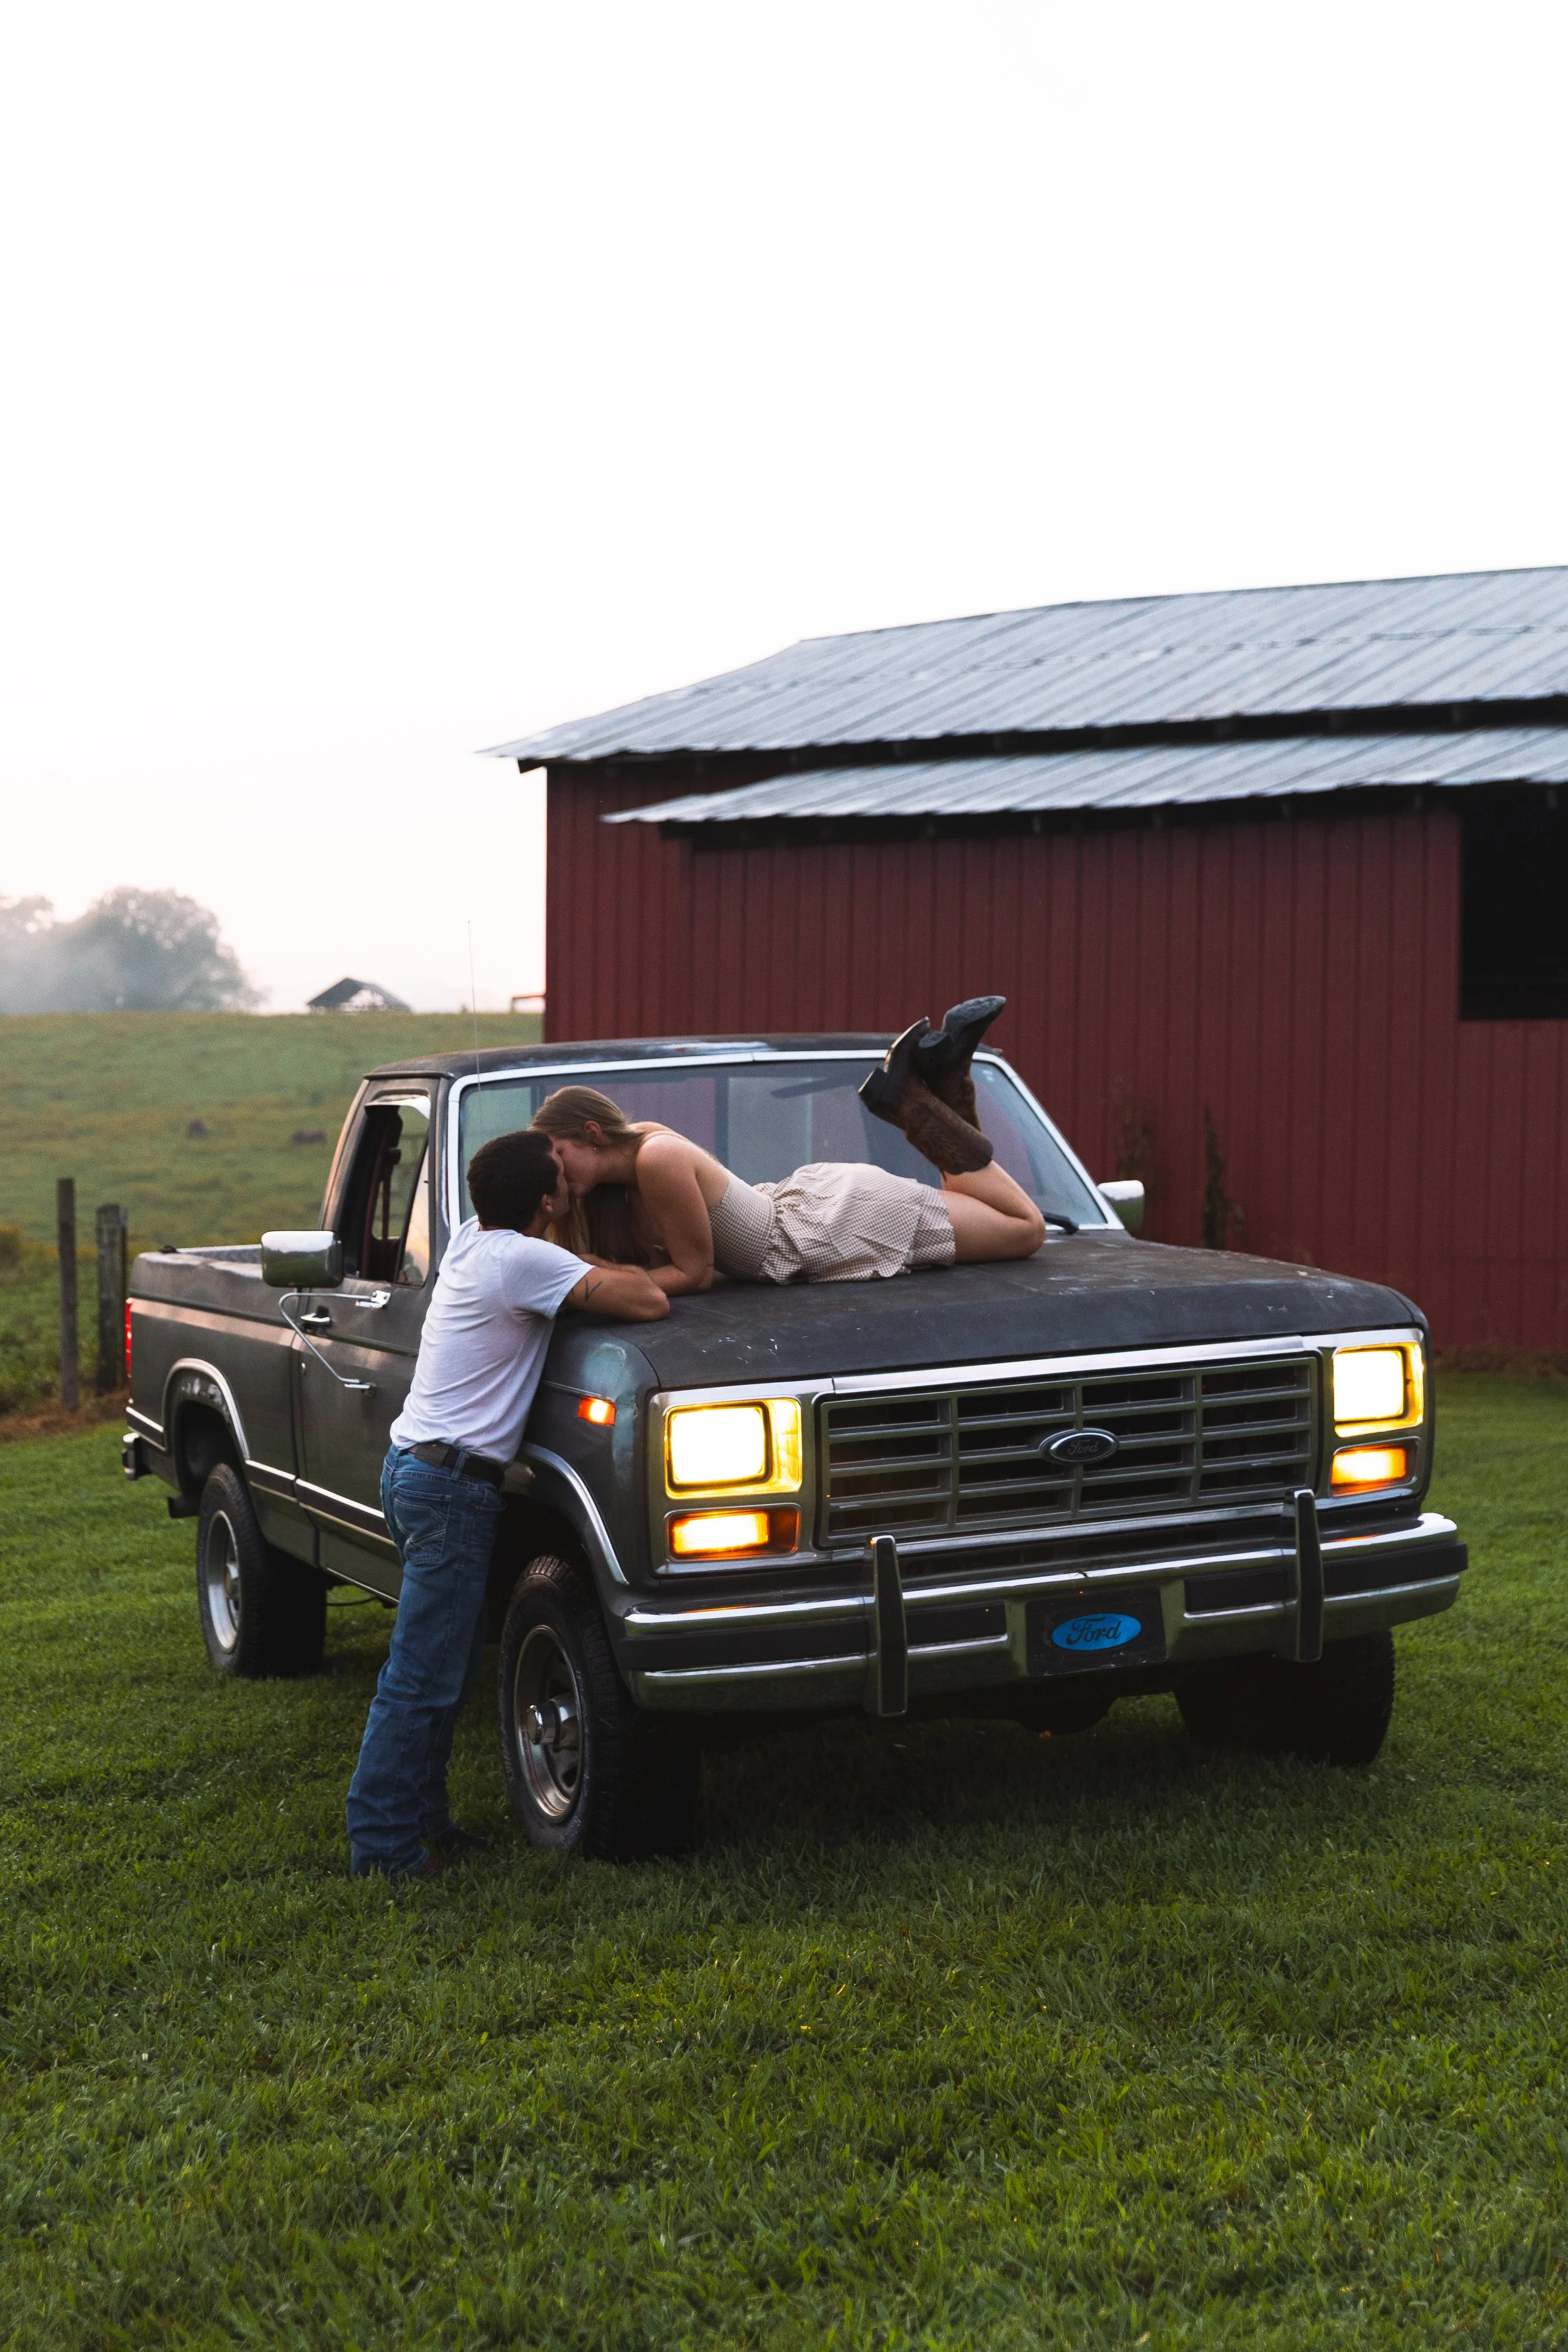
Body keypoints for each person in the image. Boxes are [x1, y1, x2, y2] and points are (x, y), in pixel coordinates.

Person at [345, 1127, 667, 1880]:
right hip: (453, 1490)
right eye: (562, 1176)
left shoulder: (468, 1242)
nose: (571, 1184)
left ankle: (423, 1824)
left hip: (414, 1472)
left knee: (441, 1668)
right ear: (547, 1201)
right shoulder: (527, 1260)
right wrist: (600, 1262)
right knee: (420, 1677)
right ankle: (383, 1849)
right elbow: (647, 1298)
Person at [529, 996, 1047, 1291]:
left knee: (1025, 1231)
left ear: (592, 1134)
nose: (555, 1169)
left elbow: (695, 1274)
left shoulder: (656, 1159)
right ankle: (947, 1081)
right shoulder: (634, 1161)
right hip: (815, 1215)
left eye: (560, 1152)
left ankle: (911, 1105)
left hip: (836, 1225)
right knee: (990, 1209)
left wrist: (603, 1278)